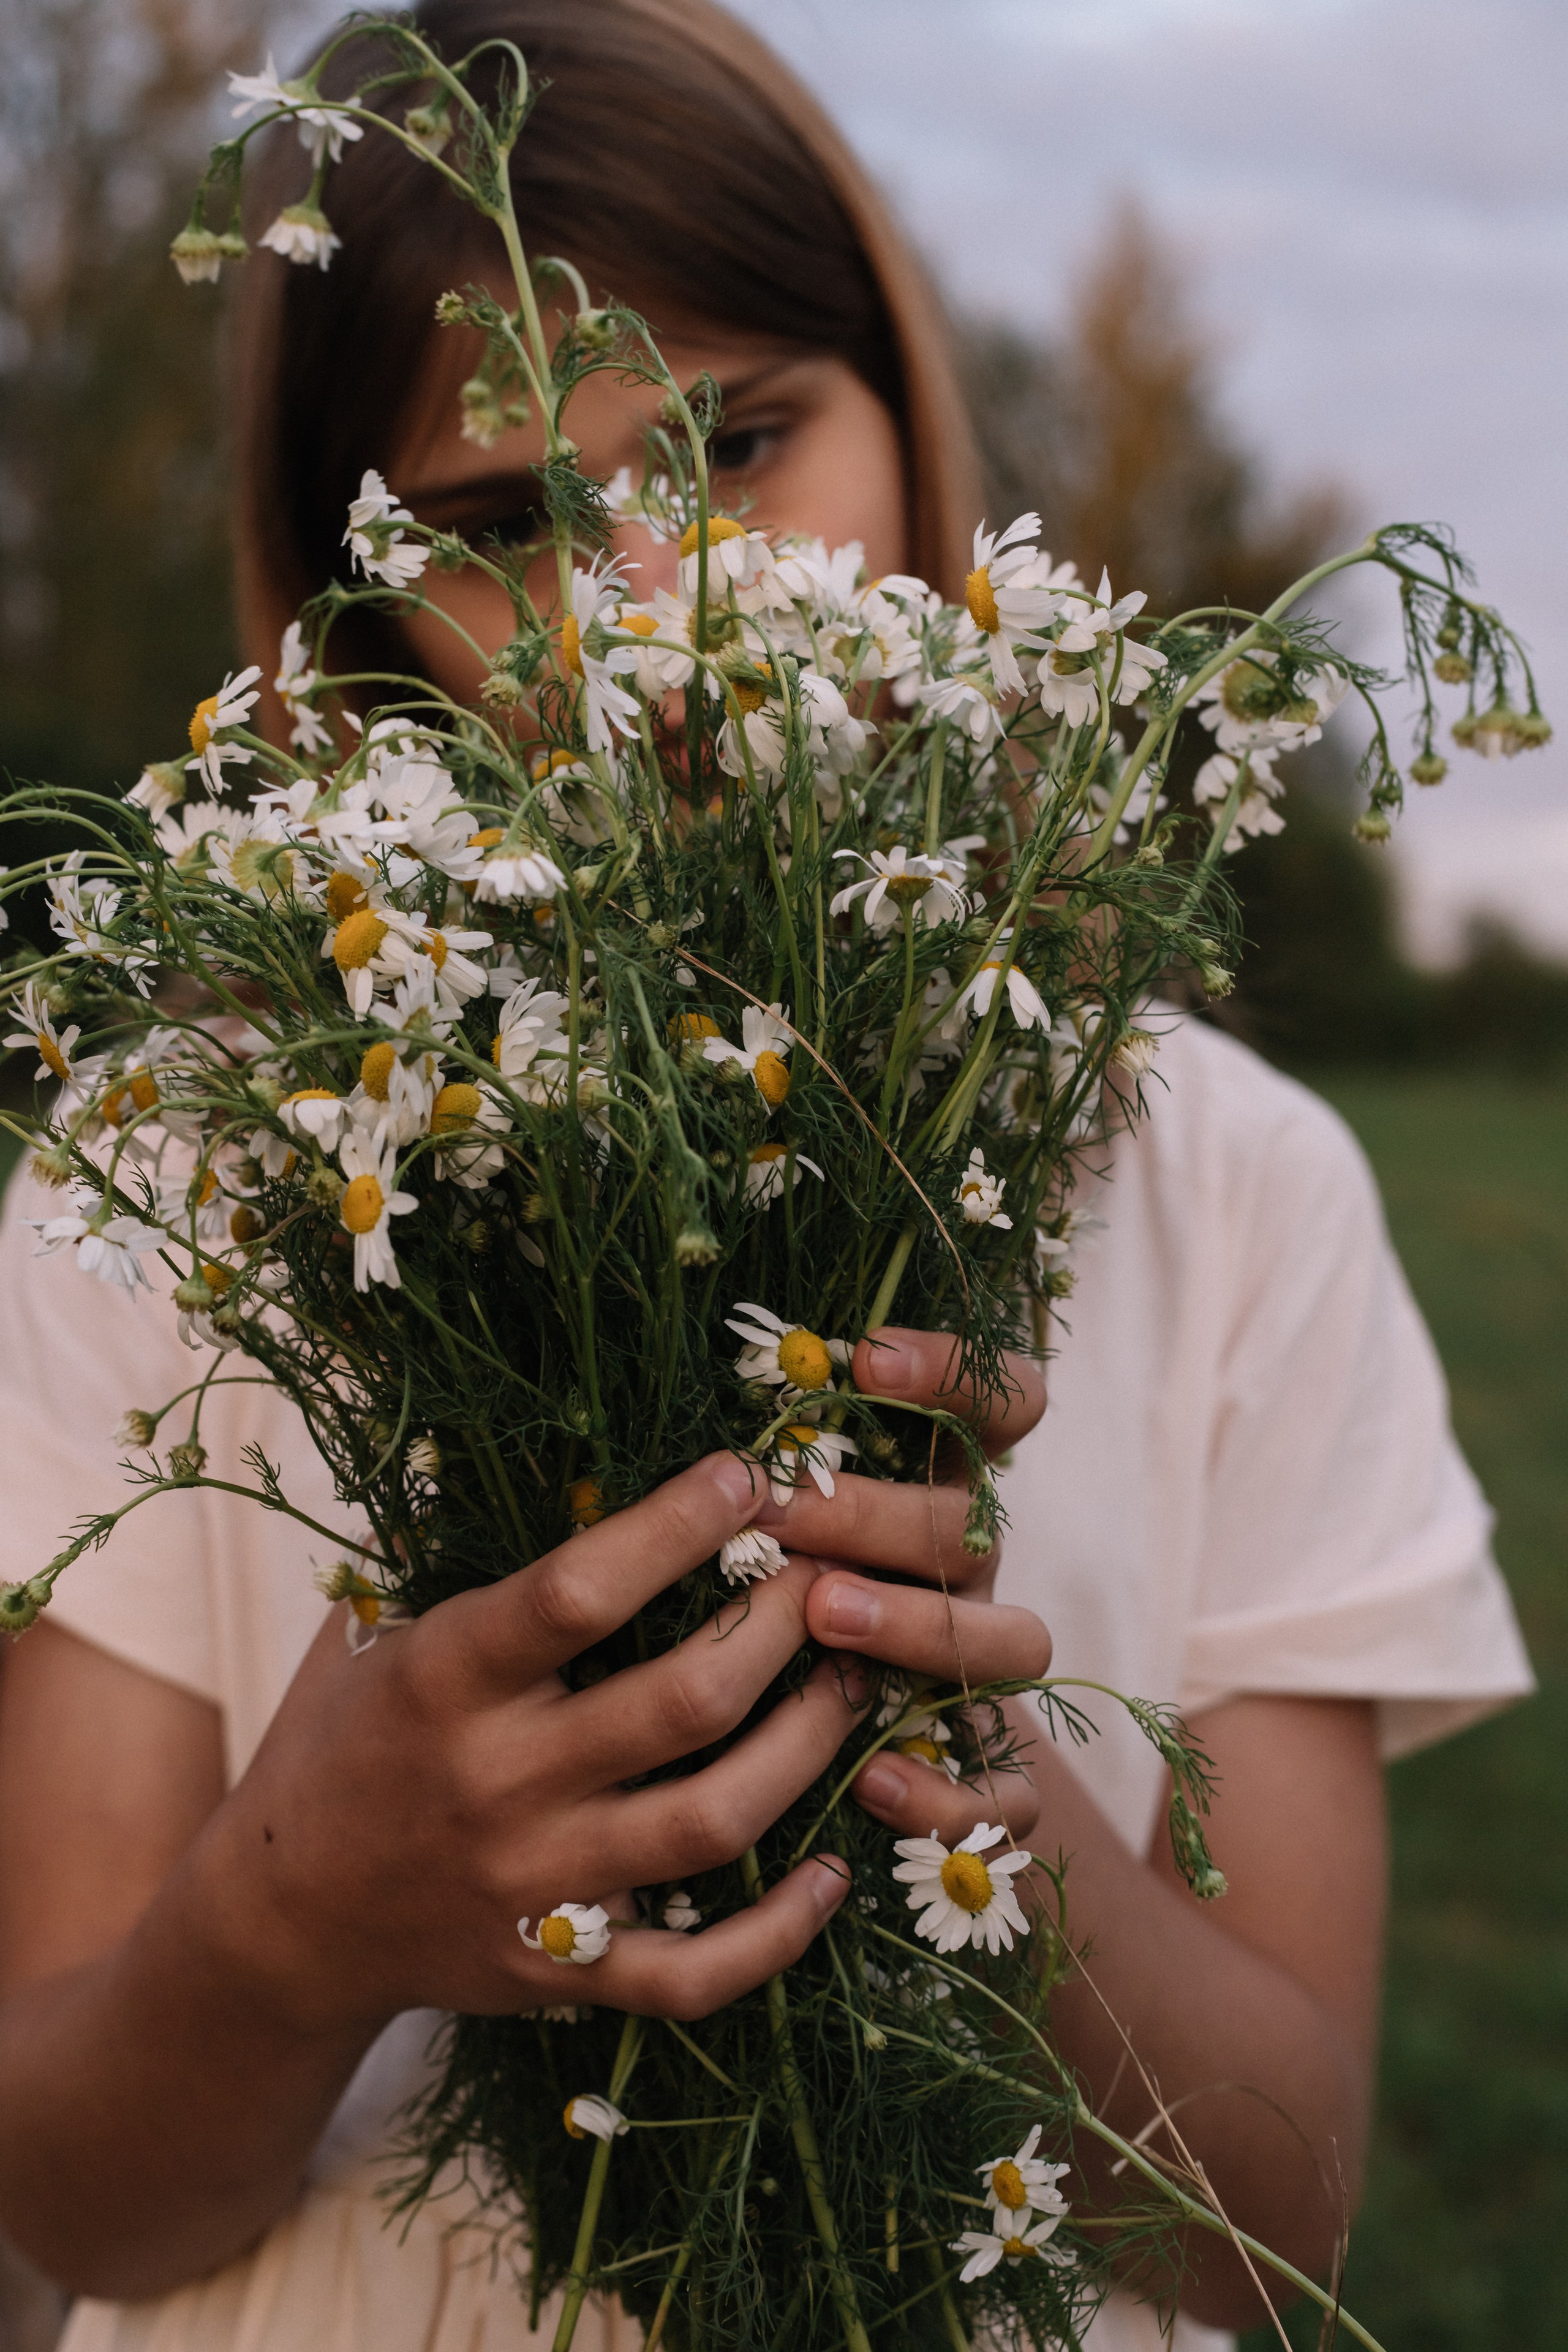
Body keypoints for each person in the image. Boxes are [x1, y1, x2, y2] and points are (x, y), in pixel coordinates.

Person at [0, 3, 1534, 2350]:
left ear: (911, 417)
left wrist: (975, 1809)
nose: (656, 615)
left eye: (733, 444)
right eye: (503, 524)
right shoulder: (185, 1178)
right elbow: (79, 2209)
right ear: (352, 614)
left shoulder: (1234, 1195)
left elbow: (1277, 2218)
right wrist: (291, 1916)